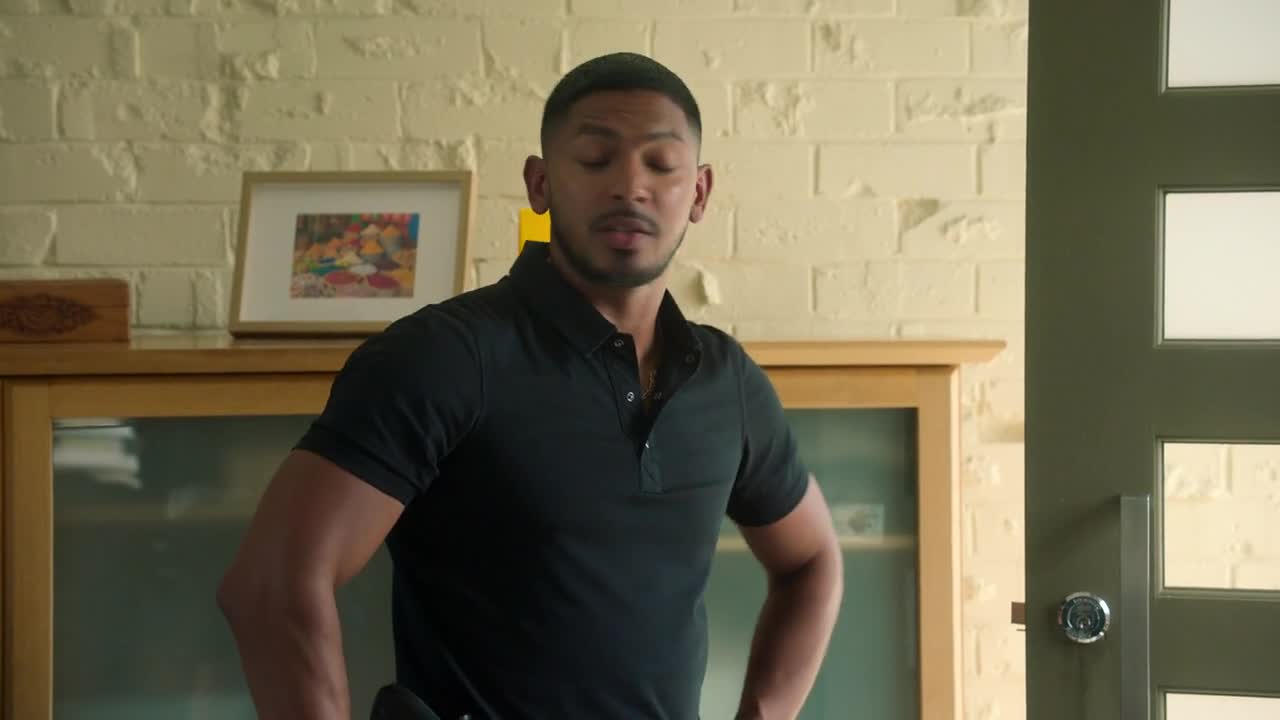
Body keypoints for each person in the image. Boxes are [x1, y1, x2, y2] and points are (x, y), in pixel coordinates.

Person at [217, 52, 843, 720]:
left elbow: (811, 560)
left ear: (699, 193)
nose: (630, 185)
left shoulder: (728, 381)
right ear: (540, 184)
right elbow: (270, 586)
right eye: (595, 159)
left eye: (661, 164)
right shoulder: (444, 356)